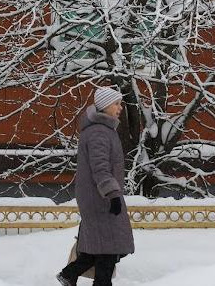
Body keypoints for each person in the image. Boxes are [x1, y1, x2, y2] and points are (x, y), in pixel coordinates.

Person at [57, 86, 135, 286]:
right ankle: (82, 278)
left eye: (120, 103)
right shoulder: (99, 132)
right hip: (100, 198)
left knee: (102, 246)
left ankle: (69, 274)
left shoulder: (104, 130)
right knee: (108, 247)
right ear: (105, 105)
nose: (120, 108)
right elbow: (100, 168)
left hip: (100, 196)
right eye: (116, 104)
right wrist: (113, 193)